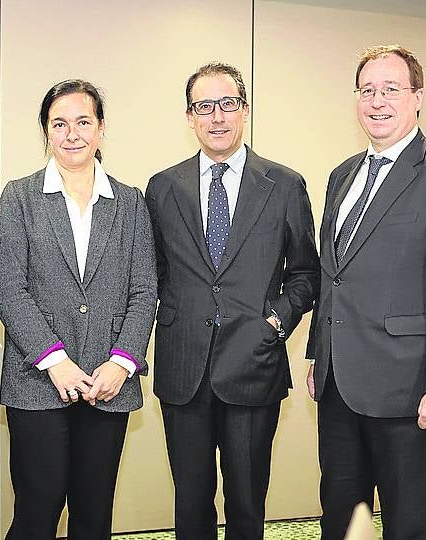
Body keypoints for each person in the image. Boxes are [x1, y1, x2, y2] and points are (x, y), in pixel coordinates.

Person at [145, 62, 319, 540]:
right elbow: (153, 272)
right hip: (184, 371)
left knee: (247, 504)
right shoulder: (163, 187)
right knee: (190, 504)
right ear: (189, 117)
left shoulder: (284, 184)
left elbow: (306, 274)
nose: (216, 116)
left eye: (228, 104)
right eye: (205, 106)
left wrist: (274, 324)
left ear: (244, 110)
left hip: (253, 363)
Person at [307, 45, 426, 539]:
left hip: (413, 394)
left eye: (391, 90)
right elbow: (332, 277)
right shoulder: (342, 175)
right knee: (341, 520)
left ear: (417, 97)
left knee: (408, 526)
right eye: (368, 91)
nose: (378, 102)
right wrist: (319, 354)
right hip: (339, 388)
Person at [0, 79, 157, 540]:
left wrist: (122, 363)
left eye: (83, 121)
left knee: (93, 515)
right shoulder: (20, 197)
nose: (72, 134)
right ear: (46, 131)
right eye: (59, 123)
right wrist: (56, 362)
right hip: (38, 382)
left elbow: (144, 290)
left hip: (109, 385)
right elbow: (9, 287)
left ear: (101, 129)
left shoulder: (129, 202)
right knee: (37, 512)